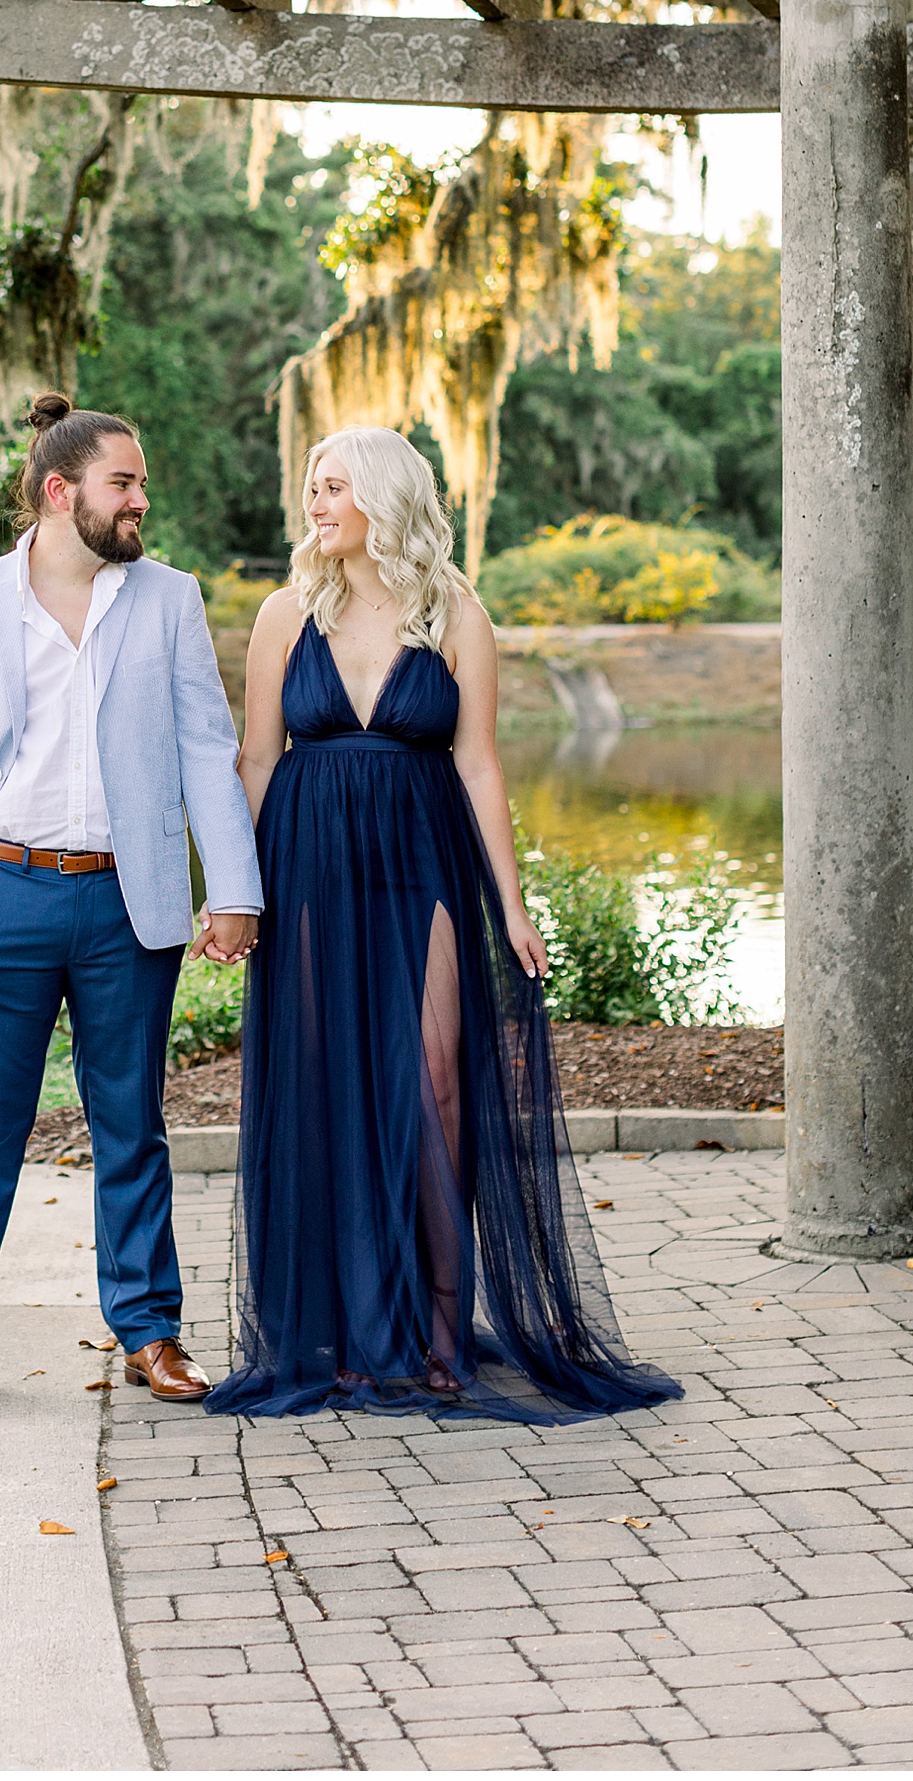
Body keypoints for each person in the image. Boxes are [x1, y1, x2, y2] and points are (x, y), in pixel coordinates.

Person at [198, 425, 679, 1425]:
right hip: (311, 865)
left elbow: (479, 763)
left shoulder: (457, 613)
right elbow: (254, 757)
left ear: (383, 496)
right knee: (327, 1083)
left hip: (426, 860)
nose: (315, 503)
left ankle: (442, 1331)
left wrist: (512, 903)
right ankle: (336, 1332)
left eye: (333, 486)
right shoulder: (287, 612)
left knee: (440, 1082)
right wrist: (234, 892)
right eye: (312, 486)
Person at [0, 393, 262, 1416]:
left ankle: (150, 1330)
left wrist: (231, 886)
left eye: (140, 481)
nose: (143, 498)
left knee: (131, 1125)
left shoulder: (169, 598)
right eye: (125, 482)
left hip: (125, 905)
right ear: (61, 493)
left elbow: (204, 747)